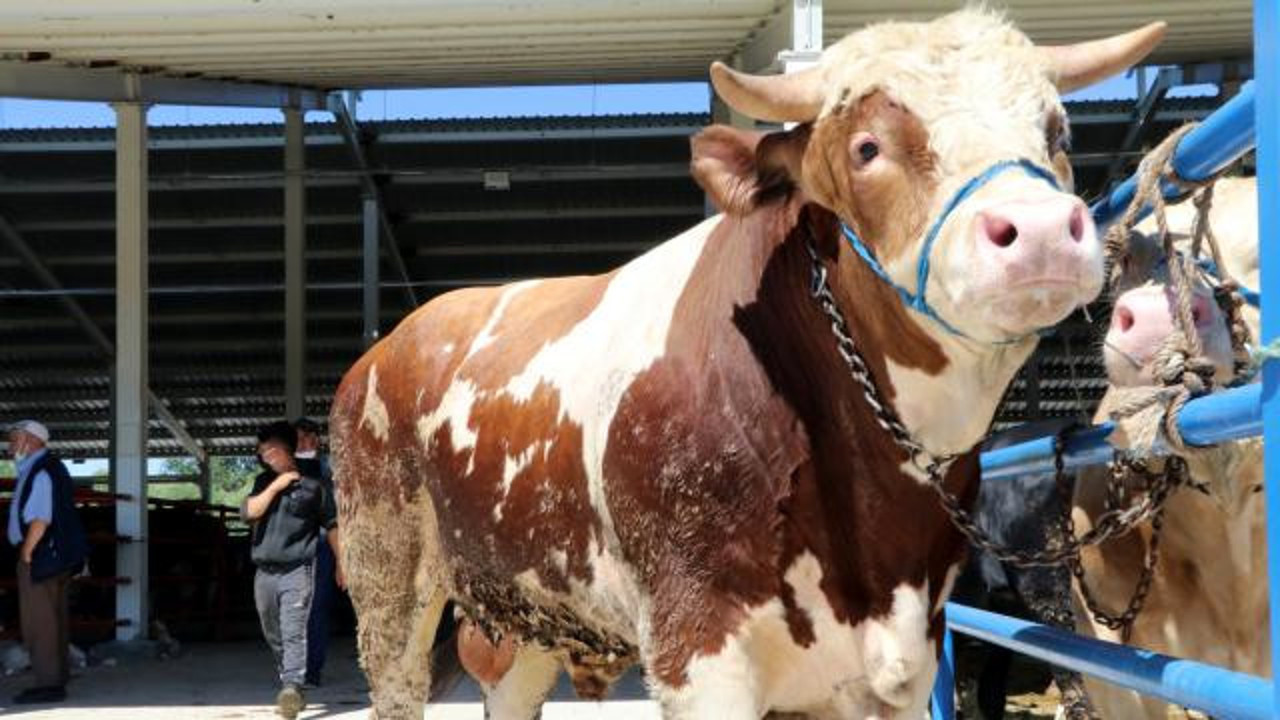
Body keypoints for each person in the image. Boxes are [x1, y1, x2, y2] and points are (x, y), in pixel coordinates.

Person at [241, 421, 343, 720]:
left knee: (294, 628)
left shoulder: (316, 484)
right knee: (272, 629)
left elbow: (332, 525)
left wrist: (342, 563)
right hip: (264, 571)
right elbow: (249, 512)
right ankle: (289, 674)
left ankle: (293, 687)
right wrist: (277, 485)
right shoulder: (262, 482)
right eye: (262, 452)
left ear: (287, 449)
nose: (265, 455)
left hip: (299, 566)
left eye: (269, 449)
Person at [6, 420, 88, 705]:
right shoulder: (46, 468)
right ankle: (58, 678)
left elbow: (40, 518)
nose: (10, 445)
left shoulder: (41, 472)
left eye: (14, 438)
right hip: (56, 557)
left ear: (32, 440)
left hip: (41, 557)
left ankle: (48, 684)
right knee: (56, 619)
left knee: (39, 623)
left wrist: (27, 553)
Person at [293, 416, 335, 687]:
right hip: (289, 547)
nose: (304, 442)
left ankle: (311, 670)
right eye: (298, 438)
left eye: (308, 437)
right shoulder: (283, 468)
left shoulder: (329, 468)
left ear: (316, 440)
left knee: (316, 608)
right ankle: (291, 668)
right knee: (287, 610)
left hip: (320, 544)